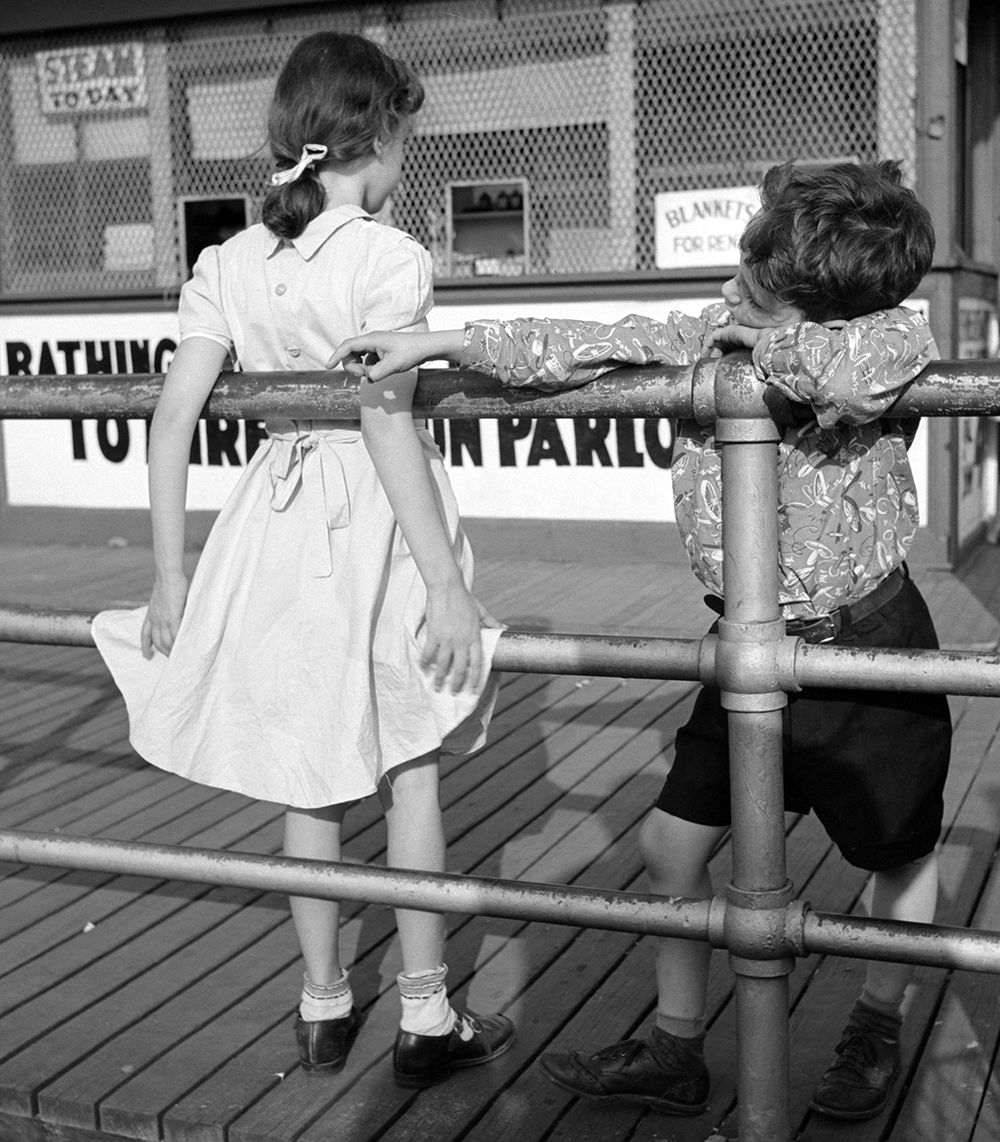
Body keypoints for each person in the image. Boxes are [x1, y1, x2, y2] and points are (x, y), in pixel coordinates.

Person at [329, 160, 951, 1121]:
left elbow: (856, 383)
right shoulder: (721, 324)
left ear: (826, 294)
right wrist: (440, 338)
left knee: (895, 849)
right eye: (745, 263)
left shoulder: (889, 337)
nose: (734, 287)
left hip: (862, 643)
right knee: (670, 844)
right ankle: (676, 1043)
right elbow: (592, 342)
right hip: (747, 642)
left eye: (760, 279)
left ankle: (877, 1018)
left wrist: (759, 352)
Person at [92, 31, 514, 1088]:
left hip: (271, 521)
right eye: (405, 134)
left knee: (304, 764)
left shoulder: (228, 261)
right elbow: (382, 420)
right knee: (408, 761)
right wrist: (451, 585)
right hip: (378, 522)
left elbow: (173, 416)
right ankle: (425, 1013)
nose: (407, 155)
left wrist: (171, 571)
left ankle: (323, 1002)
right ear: (372, 135)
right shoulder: (387, 255)